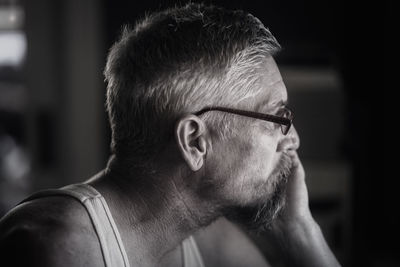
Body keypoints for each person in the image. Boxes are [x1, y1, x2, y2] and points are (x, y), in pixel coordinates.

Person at [0, 3, 341, 267]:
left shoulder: (208, 239)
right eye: (276, 117)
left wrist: (300, 233)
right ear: (194, 141)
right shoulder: (60, 248)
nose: (292, 138)